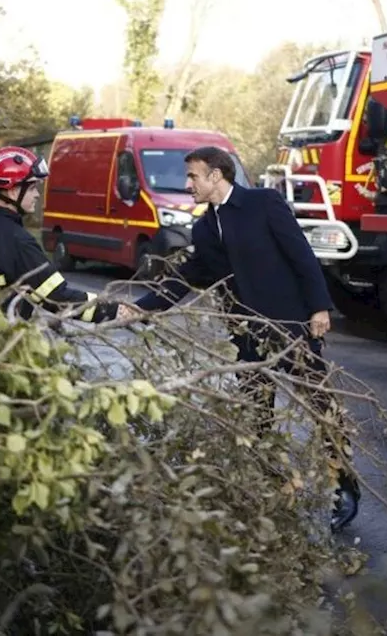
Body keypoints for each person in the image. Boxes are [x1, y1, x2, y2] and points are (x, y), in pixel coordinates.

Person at [129, 145, 360, 532]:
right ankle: (271, 488)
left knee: (321, 407)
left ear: (216, 175)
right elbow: (187, 276)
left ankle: (344, 488)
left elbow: (301, 255)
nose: (188, 184)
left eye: (193, 176)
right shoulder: (204, 227)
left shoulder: (264, 203)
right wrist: (142, 308)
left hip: (290, 329)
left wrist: (319, 307)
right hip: (247, 336)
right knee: (258, 414)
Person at [0, 145, 128, 323]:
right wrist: (114, 310)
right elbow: (58, 298)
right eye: (31, 188)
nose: (37, 195)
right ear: (12, 192)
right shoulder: (19, 242)